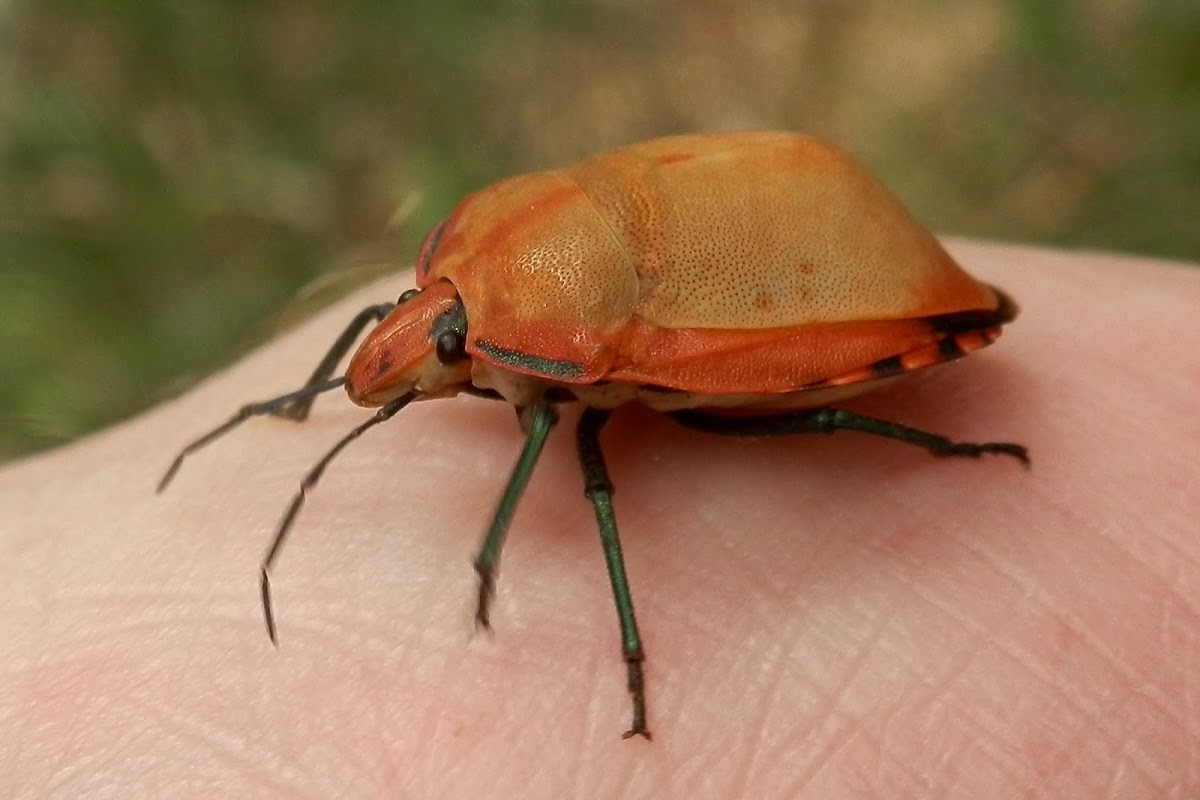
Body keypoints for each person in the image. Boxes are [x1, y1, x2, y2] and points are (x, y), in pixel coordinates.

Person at [1, 241, 1197, 798]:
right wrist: (309, 399)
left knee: (771, 433)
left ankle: (934, 445)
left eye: (451, 338)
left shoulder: (564, 377)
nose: (416, 349)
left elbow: (574, 460)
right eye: (431, 317)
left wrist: (489, 553)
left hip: (825, 293)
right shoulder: (475, 302)